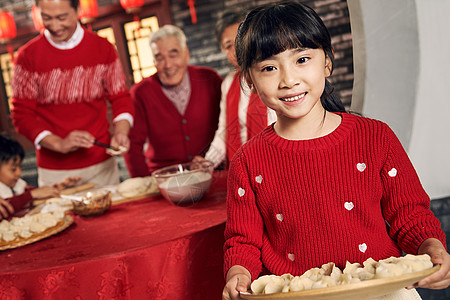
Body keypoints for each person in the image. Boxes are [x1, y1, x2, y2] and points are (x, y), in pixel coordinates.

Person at [222, 2, 450, 299]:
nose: (289, 80)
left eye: (302, 59)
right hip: (298, 294)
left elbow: (409, 215)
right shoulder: (248, 162)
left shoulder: (374, 137)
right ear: (249, 80)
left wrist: (431, 247)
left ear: (327, 63)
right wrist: (238, 272)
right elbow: (244, 241)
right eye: (269, 67)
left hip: (382, 290)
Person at [11, 0, 134, 187]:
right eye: (46, 18)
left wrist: (121, 132)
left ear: (78, 10)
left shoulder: (103, 48)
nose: (55, 26)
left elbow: (120, 97)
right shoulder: (27, 56)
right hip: (54, 172)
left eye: (62, 17)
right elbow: (21, 115)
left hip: (101, 166)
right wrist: (58, 143)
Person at [124, 25, 222, 176]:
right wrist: (144, 183)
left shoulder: (210, 79)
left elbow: (228, 128)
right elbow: (132, 145)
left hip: (211, 171)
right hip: (164, 178)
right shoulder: (141, 92)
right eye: (159, 58)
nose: (168, 65)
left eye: (173, 54)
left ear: (186, 54)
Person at [195, 9, 277, 168]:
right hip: (242, 167)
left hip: (275, 162)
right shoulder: (228, 84)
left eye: (240, 40)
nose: (236, 50)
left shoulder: (273, 72)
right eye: (228, 46)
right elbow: (225, 131)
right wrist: (208, 162)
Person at [0, 135, 80, 220]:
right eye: (13, 169)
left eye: (20, 167)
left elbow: (36, 194)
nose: (19, 172)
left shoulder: (18, 185)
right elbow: (7, 207)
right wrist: (31, 195)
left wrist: (57, 188)